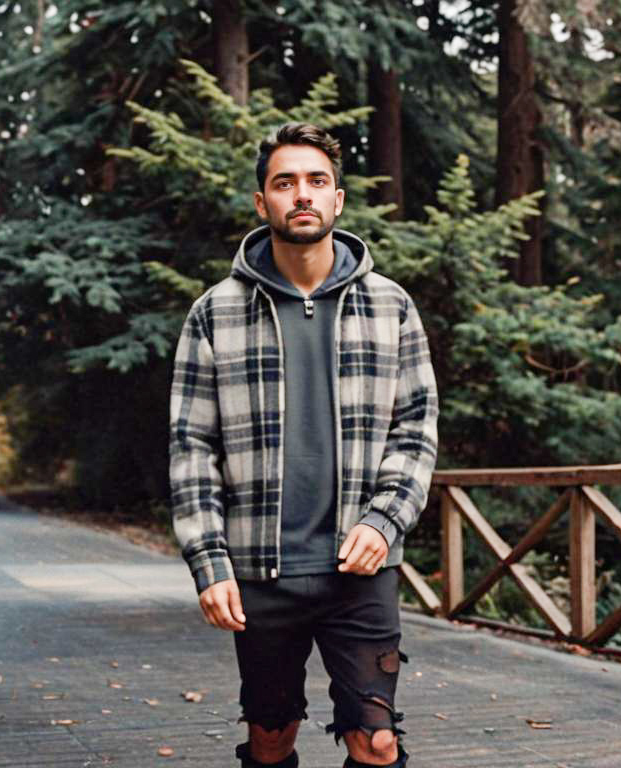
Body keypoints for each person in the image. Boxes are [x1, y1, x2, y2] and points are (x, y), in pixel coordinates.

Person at [169, 122, 438, 768]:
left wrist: (384, 520)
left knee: (376, 742)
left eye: (316, 181)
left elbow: (417, 429)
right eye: (284, 183)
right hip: (261, 570)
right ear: (263, 203)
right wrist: (208, 562)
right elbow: (192, 449)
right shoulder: (214, 312)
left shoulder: (390, 306)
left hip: (361, 570)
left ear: (338, 200)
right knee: (270, 736)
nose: (302, 195)